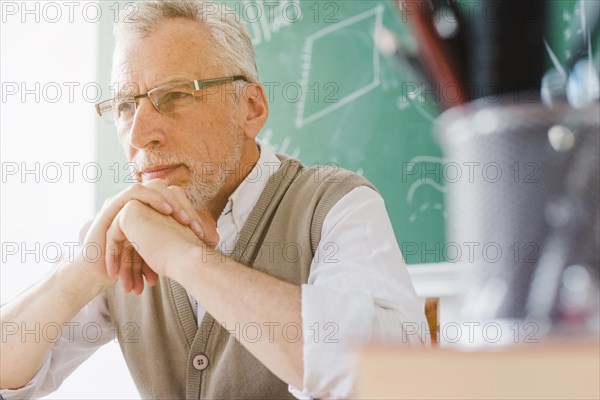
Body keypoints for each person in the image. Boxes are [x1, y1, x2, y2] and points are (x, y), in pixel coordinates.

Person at [0, 1, 427, 398]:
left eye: (175, 95)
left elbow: (389, 375)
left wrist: (187, 259)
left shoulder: (335, 205)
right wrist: (85, 270)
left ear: (251, 108)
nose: (138, 134)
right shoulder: (123, 232)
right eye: (126, 105)